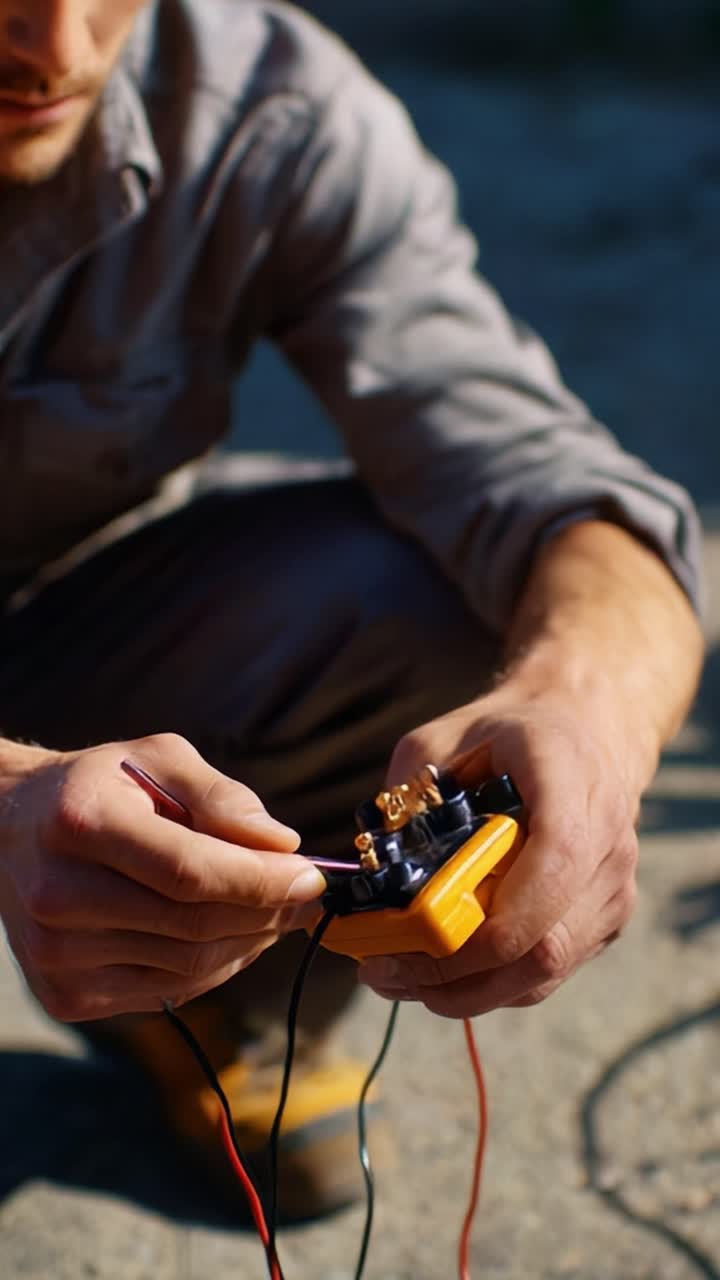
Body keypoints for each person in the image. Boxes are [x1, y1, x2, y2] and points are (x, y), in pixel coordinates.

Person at [0, 0, 704, 1220]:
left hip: (58, 618)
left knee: (454, 586)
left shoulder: (264, 104)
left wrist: (585, 709)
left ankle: (205, 994)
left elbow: (542, 480)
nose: (56, 53)